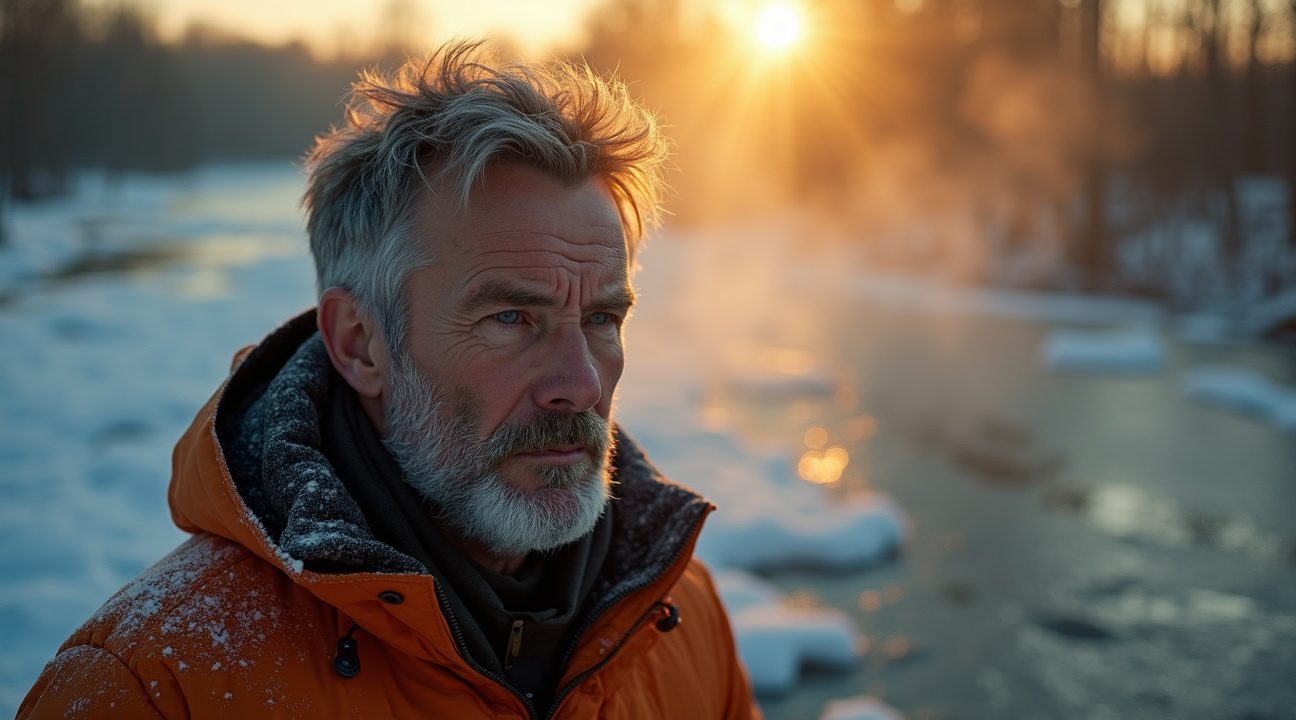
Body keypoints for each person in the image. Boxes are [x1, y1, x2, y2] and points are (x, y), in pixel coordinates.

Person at [19, 41, 759, 719]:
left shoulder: (677, 618)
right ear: (360, 343)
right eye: (510, 318)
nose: (582, 385)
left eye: (601, 318)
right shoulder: (156, 687)